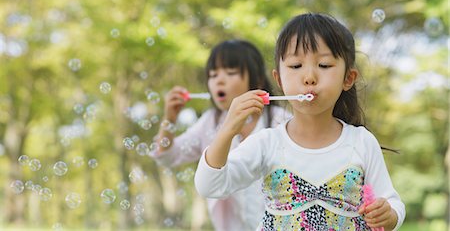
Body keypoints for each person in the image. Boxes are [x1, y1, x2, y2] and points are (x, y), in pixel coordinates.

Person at [195, 13, 405, 230]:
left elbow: (393, 203)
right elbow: (210, 186)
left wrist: (389, 215)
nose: (309, 77)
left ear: (348, 79)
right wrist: (227, 130)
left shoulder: (361, 141)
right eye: (296, 66)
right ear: (279, 80)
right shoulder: (267, 142)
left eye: (324, 65)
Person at [150, 39, 291, 231]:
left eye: (231, 72)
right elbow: (167, 156)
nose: (219, 80)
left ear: (257, 80)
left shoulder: (281, 122)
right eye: (213, 74)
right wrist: (169, 118)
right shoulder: (211, 122)